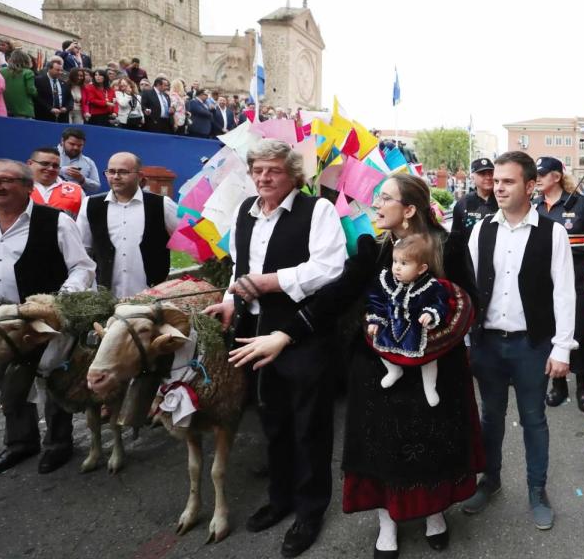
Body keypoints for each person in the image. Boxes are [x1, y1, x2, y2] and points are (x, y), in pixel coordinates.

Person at [227, 170, 482, 558]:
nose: (376, 205)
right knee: (381, 447)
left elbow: (469, 302)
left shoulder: (448, 246)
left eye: (385, 199)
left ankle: (434, 513)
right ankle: (386, 524)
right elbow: (336, 297)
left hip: (437, 365)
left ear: (409, 209)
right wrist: (286, 334)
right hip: (377, 367)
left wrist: (433, 334)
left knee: (433, 443)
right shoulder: (372, 249)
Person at [202, 140, 346, 558]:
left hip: (303, 334)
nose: (264, 178)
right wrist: (230, 302)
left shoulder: (316, 210)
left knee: (309, 427)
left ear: (293, 175)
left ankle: (309, 510)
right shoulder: (245, 213)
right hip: (254, 331)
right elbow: (238, 269)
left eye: (273, 171)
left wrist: (270, 281)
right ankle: (280, 497)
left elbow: (329, 268)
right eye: (258, 171)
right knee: (273, 422)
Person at [0, 159, 95, 478]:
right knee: (8, 380)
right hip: (0, 324)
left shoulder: (55, 221)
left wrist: (58, 303)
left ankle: (59, 444)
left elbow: (83, 267)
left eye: (6, 180)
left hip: (45, 322)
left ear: (28, 186)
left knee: (55, 378)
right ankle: (20, 443)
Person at [463, 151, 576, 531]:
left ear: (530, 187)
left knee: (534, 420)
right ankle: (490, 481)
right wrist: (466, 339)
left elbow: (564, 293)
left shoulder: (552, 232)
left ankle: (536, 489)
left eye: (508, 182)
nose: (498, 188)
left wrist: (562, 348)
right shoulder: (483, 229)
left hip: (533, 345)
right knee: (490, 417)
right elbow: (472, 288)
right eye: (496, 181)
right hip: (488, 343)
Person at [534, 156, 584, 413]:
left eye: (542, 173)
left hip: (578, 280)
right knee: (554, 332)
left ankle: (583, 386)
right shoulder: (535, 207)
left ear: (557, 176)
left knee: (580, 333)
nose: (537, 178)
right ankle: (558, 384)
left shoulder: (580, 204)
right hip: (547, 284)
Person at [77, 152, 178, 297]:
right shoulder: (90, 204)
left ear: (140, 175)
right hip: (106, 299)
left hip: (152, 298)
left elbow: (191, 234)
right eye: (111, 171)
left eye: (123, 172)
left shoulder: (161, 204)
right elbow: (82, 250)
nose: (116, 177)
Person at [365, 233, 449, 407]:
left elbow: (440, 302)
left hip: (415, 327)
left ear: (421, 268)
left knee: (428, 358)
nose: (397, 268)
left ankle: (429, 385)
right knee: (381, 347)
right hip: (391, 323)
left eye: (404, 263)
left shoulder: (430, 286)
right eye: (395, 261)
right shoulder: (386, 279)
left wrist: (430, 313)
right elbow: (376, 300)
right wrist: (376, 319)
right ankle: (394, 370)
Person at [450, 157, 498, 249]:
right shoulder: (463, 203)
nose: (488, 177)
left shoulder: (503, 200)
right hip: (468, 258)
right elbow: (455, 238)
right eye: (482, 174)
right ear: (472, 178)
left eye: (490, 173)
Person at [28, 147, 84, 217]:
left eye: (55, 166)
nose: (51, 168)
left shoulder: (76, 190)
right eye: (45, 163)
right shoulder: (18, 187)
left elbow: (84, 222)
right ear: (29, 163)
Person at [58, 128, 101, 193]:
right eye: (72, 144)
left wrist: (82, 179)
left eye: (79, 145)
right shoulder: (49, 155)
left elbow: (96, 187)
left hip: (77, 200)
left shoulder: (89, 162)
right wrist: (61, 170)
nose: (76, 147)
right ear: (62, 141)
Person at [33, 57, 72, 123]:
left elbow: (70, 99)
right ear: (49, 69)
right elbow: (37, 98)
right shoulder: (38, 81)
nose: (60, 72)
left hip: (62, 118)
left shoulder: (64, 83)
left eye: (61, 70)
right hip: (44, 117)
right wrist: (50, 109)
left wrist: (66, 108)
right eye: (57, 70)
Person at [0, 49, 36, 119]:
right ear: (26, 60)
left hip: (6, 108)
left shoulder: (2, 71)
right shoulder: (28, 72)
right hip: (24, 110)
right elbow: (31, 90)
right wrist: (36, 92)